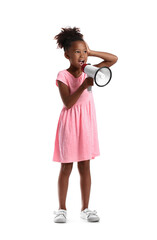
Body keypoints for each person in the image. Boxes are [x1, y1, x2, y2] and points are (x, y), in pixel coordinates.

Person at [52, 27, 118, 223]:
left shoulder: (89, 69)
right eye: (77, 52)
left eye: (84, 51)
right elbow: (68, 103)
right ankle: (61, 209)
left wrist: (93, 52)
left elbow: (113, 59)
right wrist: (83, 84)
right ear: (67, 55)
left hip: (87, 122)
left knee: (85, 165)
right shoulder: (62, 75)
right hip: (70, 123)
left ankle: (85, 208)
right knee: (66, 167)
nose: (81, 55)